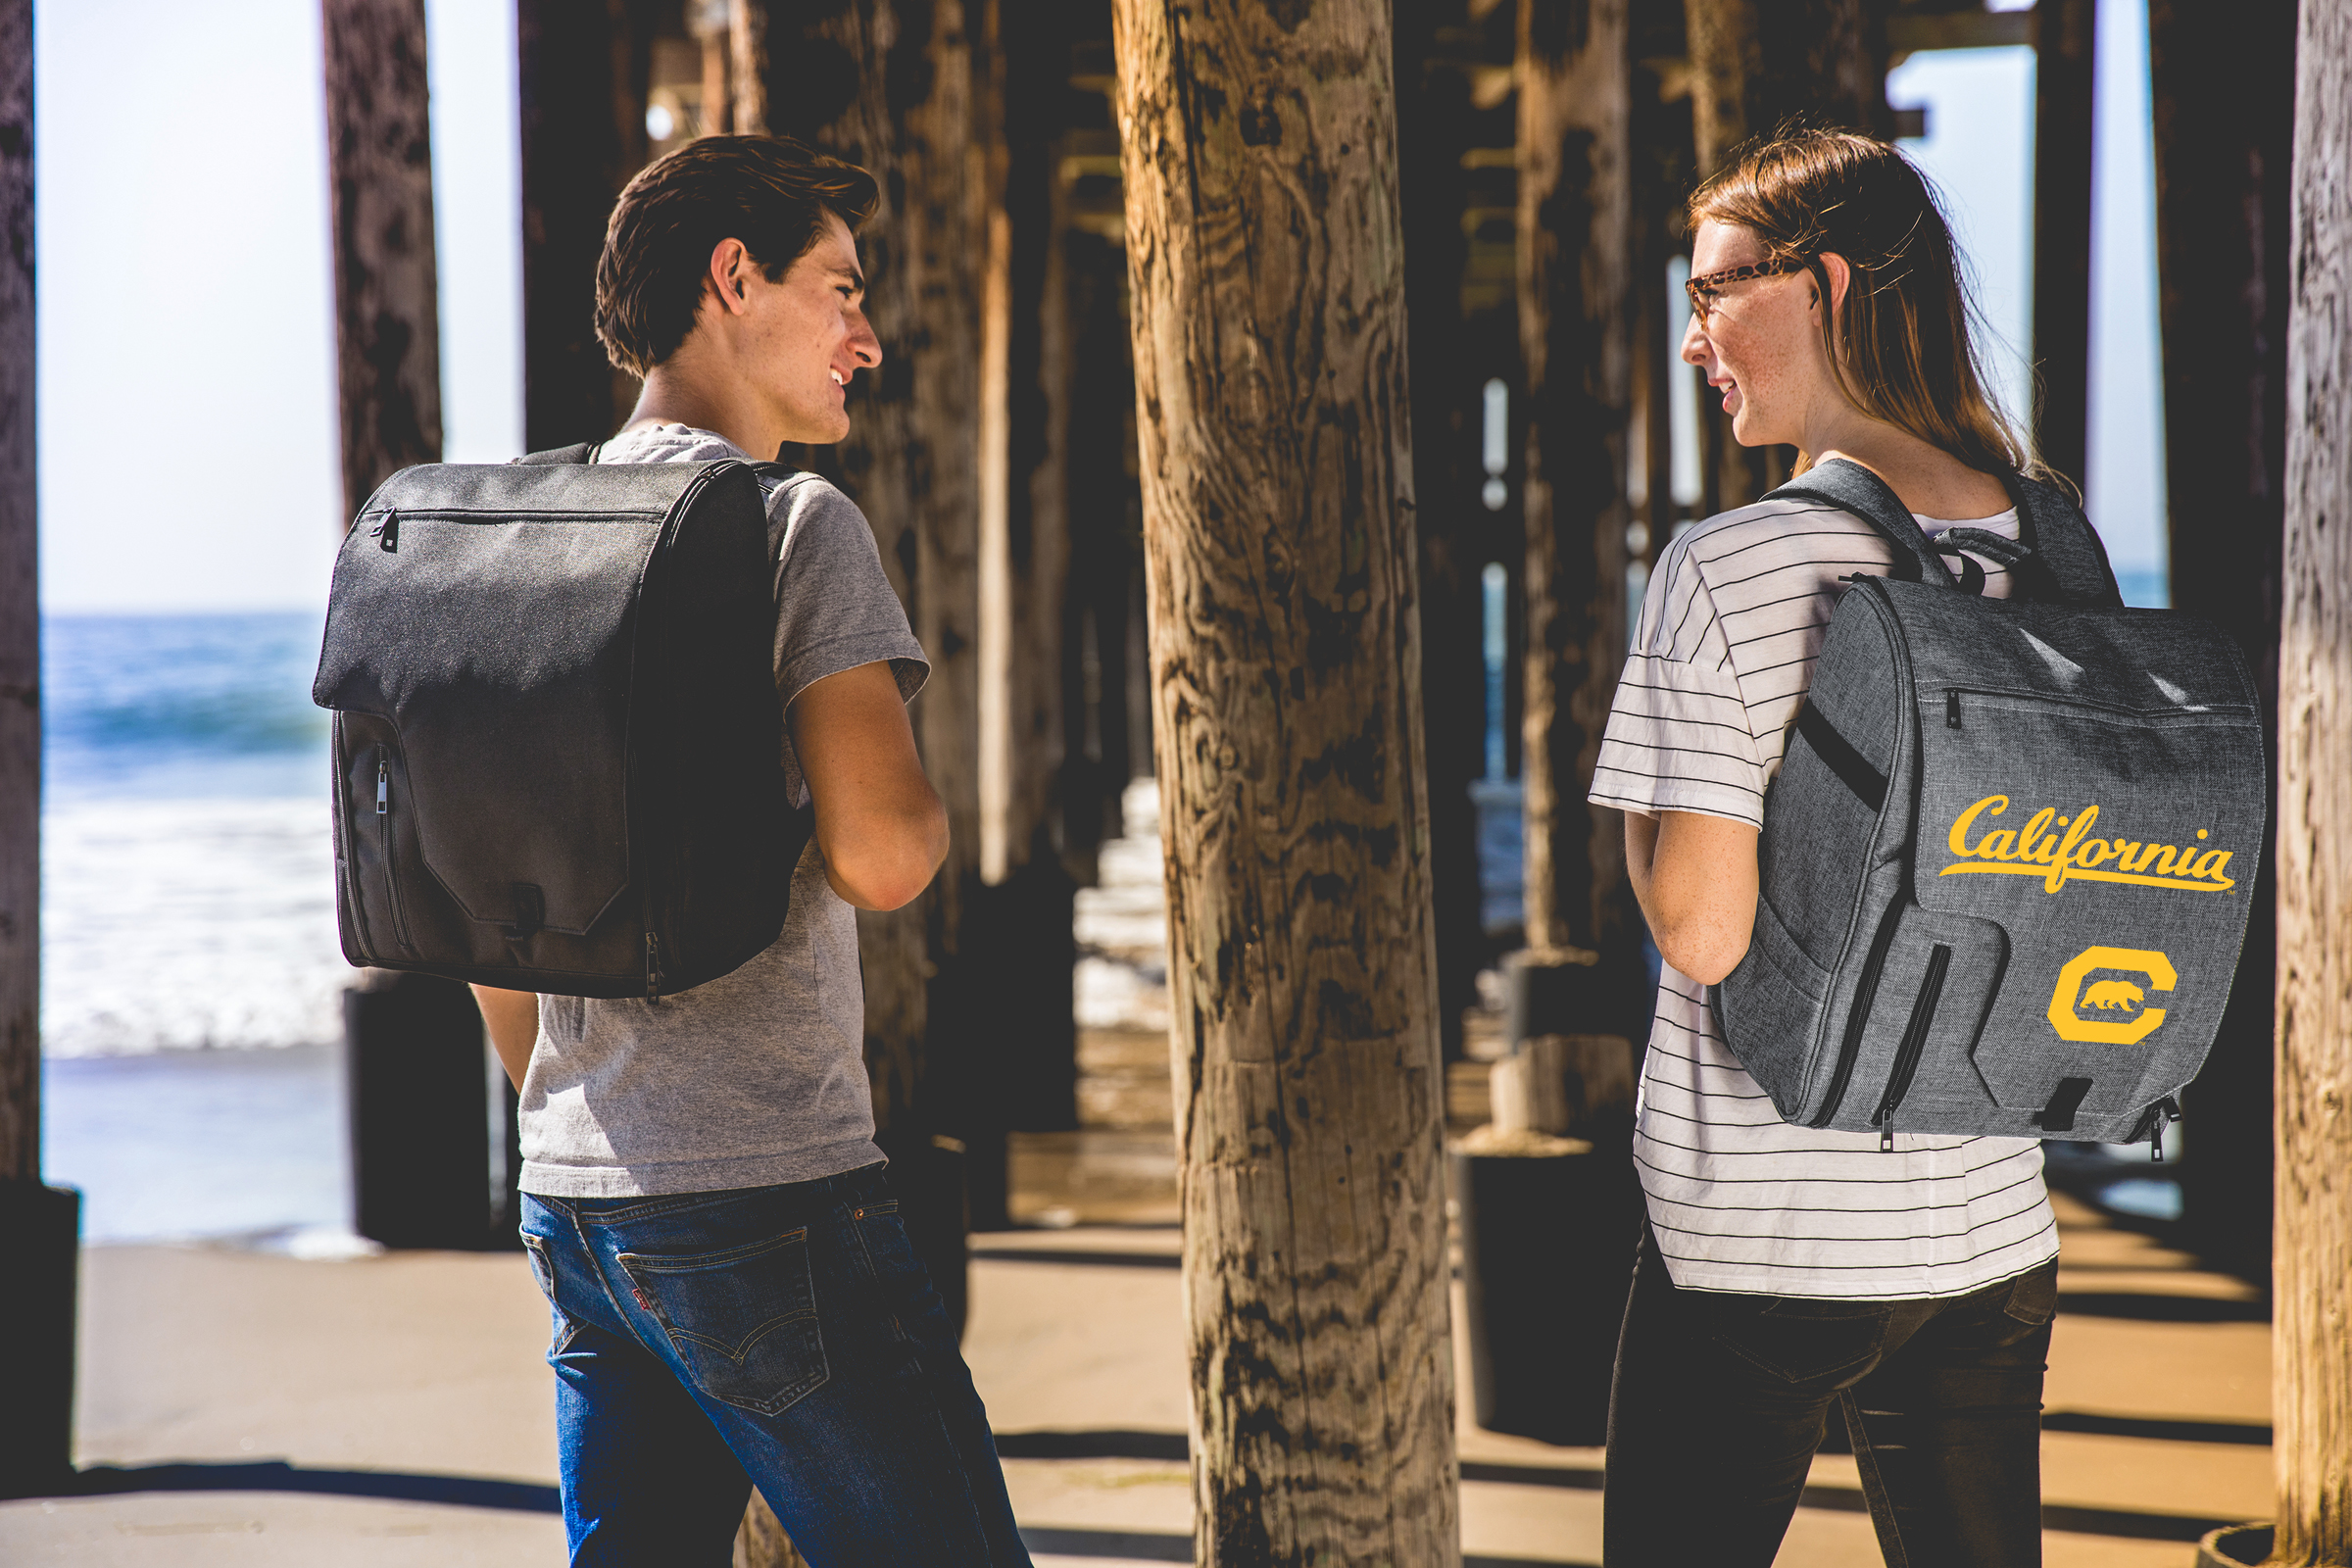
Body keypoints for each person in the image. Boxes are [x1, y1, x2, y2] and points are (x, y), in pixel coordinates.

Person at [470, 134, 1032, 1567]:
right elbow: (885, 855)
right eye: (840, 290)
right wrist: (924, 798)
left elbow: (482, 909)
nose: (869, 334)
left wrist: (577, 1103)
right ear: (736, 278)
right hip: (768, 1185)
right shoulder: (789, 526)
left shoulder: (526, 538)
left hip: (577, 1195)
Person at [1591, 130, 2065, 1568]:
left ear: (1830, 284)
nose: (1693, 341)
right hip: (1990, 1232)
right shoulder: (2059, 544)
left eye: (1715, 291)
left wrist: (1643, 810)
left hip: (1764, 1237)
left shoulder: (1731, 564)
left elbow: (1704, 932)